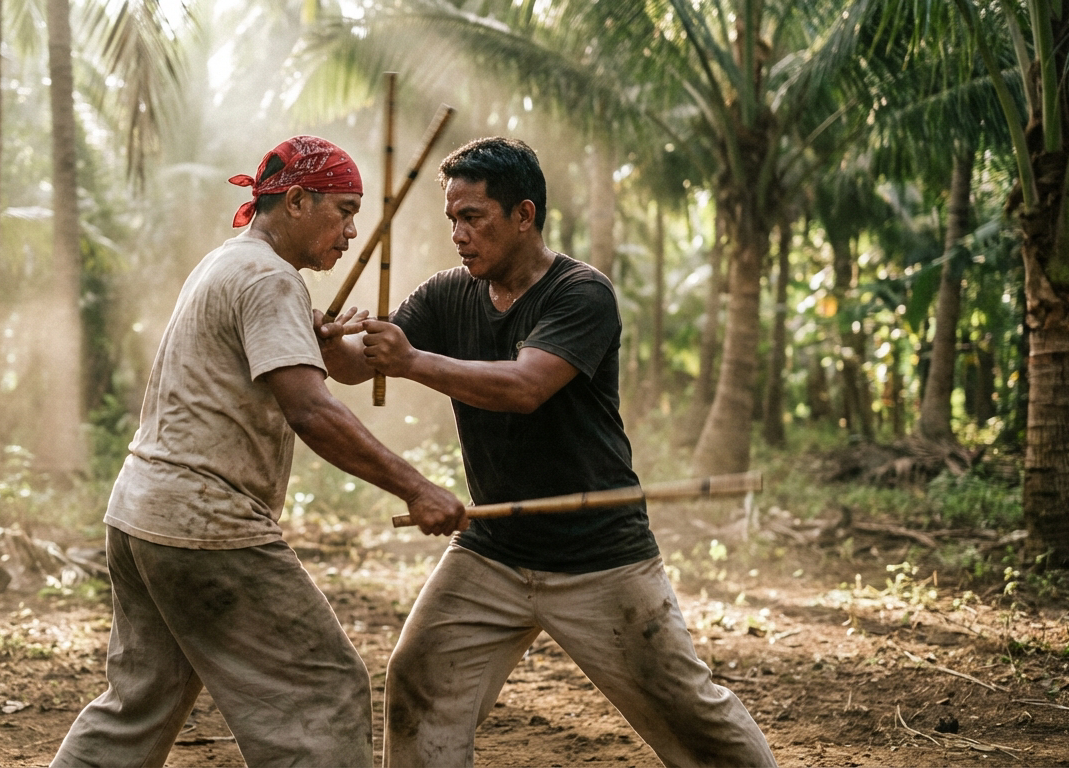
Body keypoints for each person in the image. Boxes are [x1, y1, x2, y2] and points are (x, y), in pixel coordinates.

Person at [318, 137, 777, 767]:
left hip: (598, 551)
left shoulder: (581, 293)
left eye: (472, 217)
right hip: (494, 547)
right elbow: (356, 366)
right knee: (420, 680)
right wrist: (327, 341)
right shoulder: (447, 293)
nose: (458, 234)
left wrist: (412, 360)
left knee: (691, 716)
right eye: (452, 219)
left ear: (524, 215)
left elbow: (525, 387)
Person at [51, 135, 467, 768]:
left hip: (139, 517)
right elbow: (312, 411)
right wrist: (417, 487)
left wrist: (315, 341)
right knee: (322, 691)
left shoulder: (229, 262)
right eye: (344, 210)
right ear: (296, 201)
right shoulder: (270, 279)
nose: (352, 232)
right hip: (205, 525)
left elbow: (305, 377)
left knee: (138, 705)